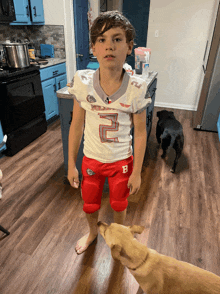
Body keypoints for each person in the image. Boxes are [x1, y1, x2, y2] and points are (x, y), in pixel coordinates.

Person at [67, 10, 151, 255]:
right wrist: (72, 163)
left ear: (129, 46)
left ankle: (119, 237)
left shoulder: (136, 88)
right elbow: (76, 125)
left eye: (117, 39)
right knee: (90, 203)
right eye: (101, 40)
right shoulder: (82, 82)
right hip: (92, 158)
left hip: (120, 161)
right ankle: (93, 233)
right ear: (93, 47)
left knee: (119, 203)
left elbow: (141, 132)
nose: (109, 46)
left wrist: (136, 172)